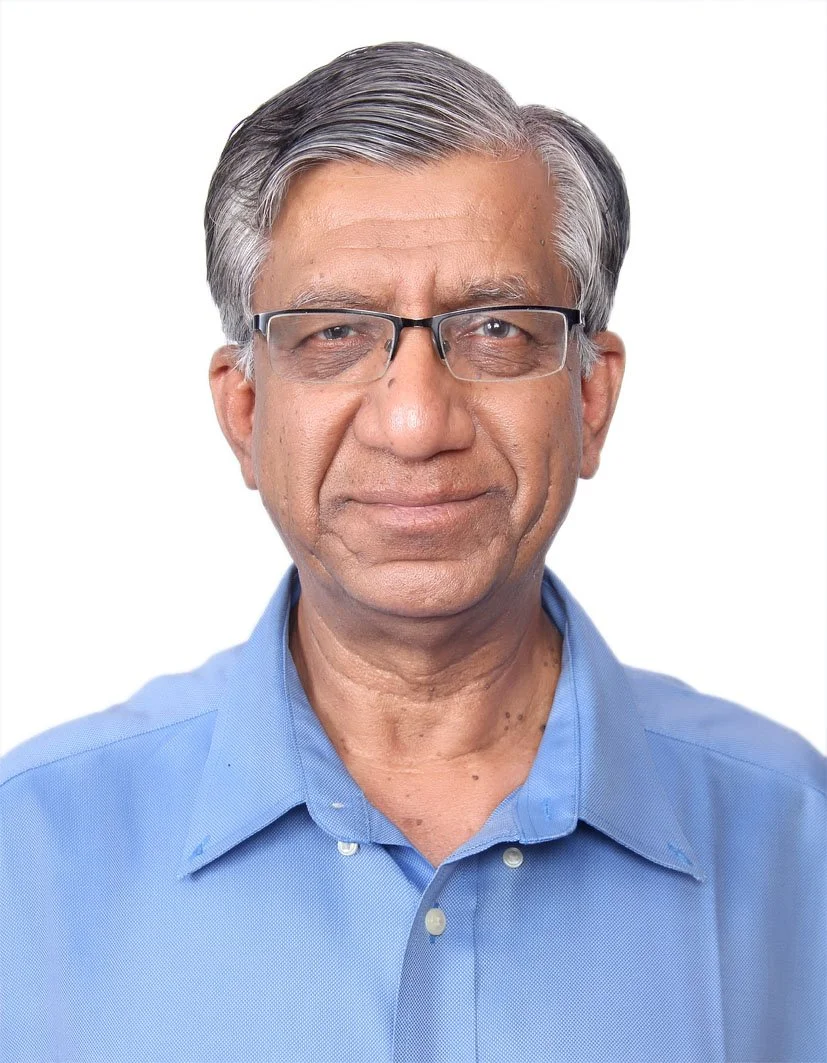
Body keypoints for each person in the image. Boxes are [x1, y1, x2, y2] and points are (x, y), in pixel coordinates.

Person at [1, 40, 824, 1063]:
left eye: (494, 328)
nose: (413, 420)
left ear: (589, 398)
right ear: (244, 409)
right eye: (334, 333)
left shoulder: (796, 838)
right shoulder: (27, 853)